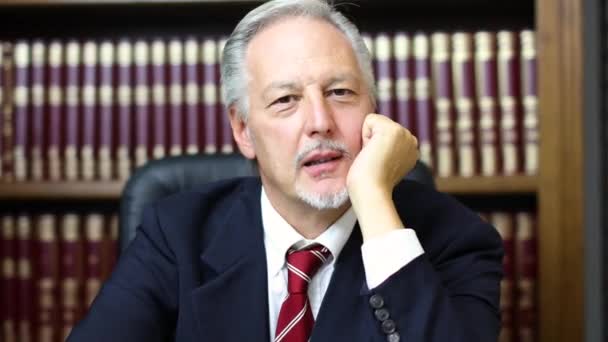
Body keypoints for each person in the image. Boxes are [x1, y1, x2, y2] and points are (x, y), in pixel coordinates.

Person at [68, 0, 503, 341]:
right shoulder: (176, 232)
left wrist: (371, 195)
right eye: (285, 100)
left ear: (374, 112)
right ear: (243, 131)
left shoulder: (455, 238)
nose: (319, 121)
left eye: (340, 92)